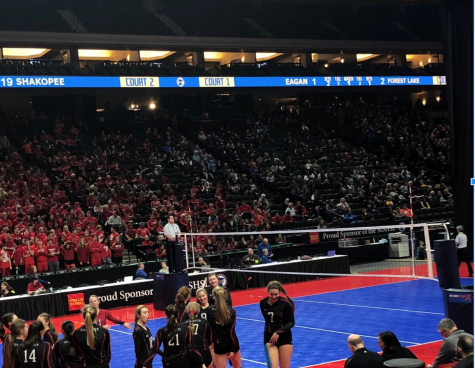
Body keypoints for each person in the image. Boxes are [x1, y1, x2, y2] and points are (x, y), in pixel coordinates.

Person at [260, 280, 295, 368]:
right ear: (268, 292)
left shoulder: (285, 304)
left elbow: (291, 322)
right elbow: (268, 321)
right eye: (271, 294)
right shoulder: (263, 303)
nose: (274, 296)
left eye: (276, 294)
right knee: (272, 366)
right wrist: (272, 332)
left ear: (279, 292)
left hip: (285, 338)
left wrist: (278, 332)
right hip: (270, 338)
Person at [209, 287, 241, 368]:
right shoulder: (232, 311)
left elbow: (210, 330)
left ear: (214, 297)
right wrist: (232, 349)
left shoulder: (209, 311)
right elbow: (231, 332)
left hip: (219, 344)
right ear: (225, 297)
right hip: (232, 343)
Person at [185, 302, 214, 368]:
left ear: (187, 311)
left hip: (191, 357)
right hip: (205, 355)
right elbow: (211, 341)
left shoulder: (183, 325)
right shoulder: (205, 323)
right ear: (199, 310)